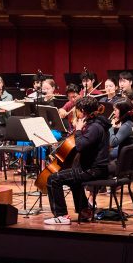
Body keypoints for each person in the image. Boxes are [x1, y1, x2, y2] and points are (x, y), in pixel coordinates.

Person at [43, 96, 112, 225]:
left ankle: (61, 216)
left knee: (53, 179)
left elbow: (80, 146)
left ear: (82, 111)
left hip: (93, 170)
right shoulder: (97, 123)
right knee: (73, 180)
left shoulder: (94, 127)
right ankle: (84, 210)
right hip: (95, 168)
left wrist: (79, 130)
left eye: (77, 110)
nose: (76, 112)